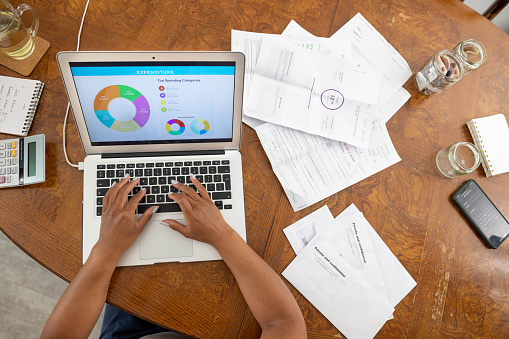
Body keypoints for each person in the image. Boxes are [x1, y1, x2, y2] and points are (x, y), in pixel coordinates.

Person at [41, 174, 307, 339]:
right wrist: (221, 235)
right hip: (213, 325)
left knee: (123, 285)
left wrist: (105, 252)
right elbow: (284, 322)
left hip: (125, 333)